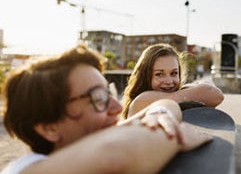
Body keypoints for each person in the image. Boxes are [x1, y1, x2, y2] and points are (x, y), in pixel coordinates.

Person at [1, 44, 212, 174]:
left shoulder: (97, 141)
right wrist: (174, 135)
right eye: (98, 98)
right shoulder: (24, 169)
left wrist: (160, 115)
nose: (117, 107)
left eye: (109, 93)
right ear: (49, 127)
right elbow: (116, 155)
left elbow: (166, 105)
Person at [122, 43, 224, 119]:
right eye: (159, 74)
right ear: (145, 76)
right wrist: (197, 87)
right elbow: (215, 95)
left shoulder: (173, 96)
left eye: (174, 73)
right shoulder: (143, 99)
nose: (169, 81)